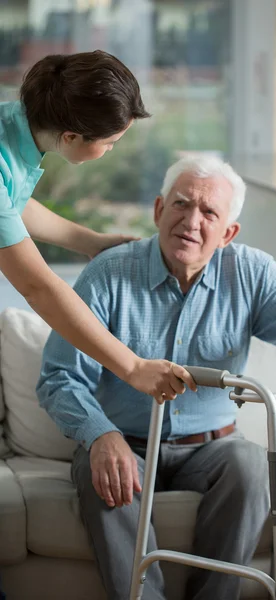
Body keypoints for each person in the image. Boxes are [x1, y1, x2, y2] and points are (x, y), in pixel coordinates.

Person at [37, 156, 276, 600]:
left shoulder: (250, 272)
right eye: (181, 205)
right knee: (100, 470)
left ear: (228, 233)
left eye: (209, 214)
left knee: (251, 465)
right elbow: (58, 377)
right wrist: (99, 435)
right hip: (125, 439)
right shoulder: (107, 275)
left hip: (212, 447)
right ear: (158, 209)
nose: (190, 221)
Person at [0, 50, 195, 404]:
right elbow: (37, 287)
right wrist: (133, 367)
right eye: (109, 143)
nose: (110, 151)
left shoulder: (13, 126)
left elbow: (11, 207)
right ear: (72, 136)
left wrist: (89, 241)